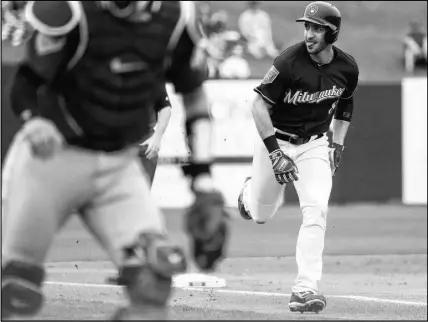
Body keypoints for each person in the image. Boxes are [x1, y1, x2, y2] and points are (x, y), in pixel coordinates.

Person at [1, 1, 229, 320]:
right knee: (17, 288)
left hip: (118, 165)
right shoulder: (71, 10)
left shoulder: (176, 18)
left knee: (154, 281)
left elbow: (194, 97)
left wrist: (202, 180)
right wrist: (33, 119)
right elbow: (26, 80)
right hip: (52, 159)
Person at [237, 1, 359, 314]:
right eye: (307, 26)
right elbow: (258, 106)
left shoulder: (347, 68)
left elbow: (345, 105)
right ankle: (249, 193)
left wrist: (338, 144)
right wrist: (275, 153)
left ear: (332, 33)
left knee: (316, 209)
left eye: (317, 28)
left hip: (314, 146)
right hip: (276, 140)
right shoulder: (288, 62)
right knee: (261, 213)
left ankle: (304, 290)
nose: (309, 33)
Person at [139, 86, 172, 187]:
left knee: (142, 192)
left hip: (143, 142)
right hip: (114, 144)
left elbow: (165, 108)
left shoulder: (152, 76)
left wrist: (157, 137)